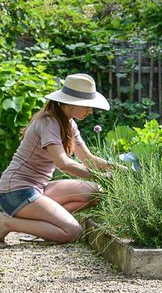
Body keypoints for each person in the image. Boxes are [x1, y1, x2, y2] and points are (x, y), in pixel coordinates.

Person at [0, 73, 126, 246]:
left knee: (96, 192)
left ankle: (46, 228)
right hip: (16, 191)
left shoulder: (69, 123)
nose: (91, 111)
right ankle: (6, 223)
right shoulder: (49, 122)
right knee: (72, 232)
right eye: (87, 106)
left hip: (38, 188)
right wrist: (100, 176)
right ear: (70, 102)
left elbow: (88, 159)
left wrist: (118, 168)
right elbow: (63, 164)